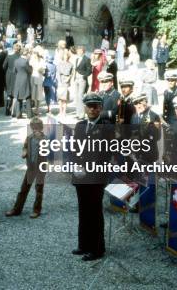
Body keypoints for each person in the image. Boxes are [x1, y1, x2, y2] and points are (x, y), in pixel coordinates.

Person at [71, 93, 114, 261]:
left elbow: (106, 153)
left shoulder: (107, 127)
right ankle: (83, 244)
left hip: (96, 177)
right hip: (80, 177)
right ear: (85, 108)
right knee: (83, 210)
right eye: (89, 106)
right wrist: (75, 166)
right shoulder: (80, 125)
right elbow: (75, 149)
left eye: (95, 106)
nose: (92, 109)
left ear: (101, 108)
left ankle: (97, 249)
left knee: (95, 212)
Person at [6, 117, 47, 218]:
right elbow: (25, 146)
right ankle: (17, 209)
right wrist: (24, 152)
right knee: (24, 188)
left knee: (39, 189)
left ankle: (37, 210)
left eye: (37, 128)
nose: (35, 130)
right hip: (31, 167)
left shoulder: (45, 139)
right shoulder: (29, 138)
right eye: (33, 127)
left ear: (41, 128)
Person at [70, 46, 91, 118]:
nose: (79, 52)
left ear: (83, 51)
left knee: (80, 96)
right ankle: (77, 113)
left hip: (82, 79)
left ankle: (82, 114)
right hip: (76, 79)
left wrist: (84, 76)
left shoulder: (87, 59)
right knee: (76, 96)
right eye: (78, 51)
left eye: (80, 51)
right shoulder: (76, 59)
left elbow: (89, 71)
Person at [11, 48, 33, 119]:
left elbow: (14, 71)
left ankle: (18, 114)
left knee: (18, 97)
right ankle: (29, 115)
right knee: (28, 97)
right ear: (26, 54)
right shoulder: (25, 61)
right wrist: (31, 67)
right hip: (25, 80)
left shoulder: (16, 61)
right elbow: (29, 71)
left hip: (18, 79)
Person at [3, 43, 21, 116]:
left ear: (14, 49)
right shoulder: (20, 58)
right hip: (17, 76)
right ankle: (14, 110)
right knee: (15, 94)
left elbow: (4, 66)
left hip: (8, 76)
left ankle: (7, 110)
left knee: (9, 93)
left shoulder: (9, 57)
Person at [29, 46, 46, 115]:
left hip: (39, 77)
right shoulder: (32, 60)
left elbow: (44, 70)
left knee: (38, 94)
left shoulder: (42, 60)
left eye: (35, 53)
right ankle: (33, 108)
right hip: (33, 77)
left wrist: (40, 70)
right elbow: (30, 65)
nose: (34, 54)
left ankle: (37, 108)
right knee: (33, 93)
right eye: (34, 53)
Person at [56, 50, 73, 117]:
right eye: (64, 56)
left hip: (66, 81)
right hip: (61, 80)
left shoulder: (71, 64)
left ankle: (64, 112)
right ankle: (60, 111)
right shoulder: (59, 64)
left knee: (65, 97)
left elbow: (71, 73)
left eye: (67, 56)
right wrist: (59, 81)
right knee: (60, 97)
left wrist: (69, 79)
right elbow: (58, 73)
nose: (65, 57)